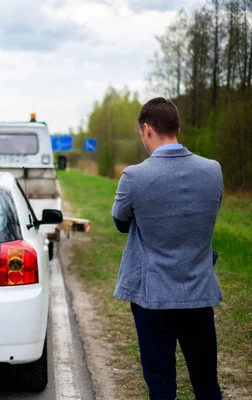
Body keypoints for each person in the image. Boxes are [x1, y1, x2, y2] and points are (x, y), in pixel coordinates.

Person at [112, 97, 223, 400]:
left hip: (153, 299)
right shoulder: (213, 171)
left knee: (161, 387)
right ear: (177, 127)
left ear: (147, 129)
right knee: (206, 383)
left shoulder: (134, 176)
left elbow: (121, 222)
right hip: (199, 295)